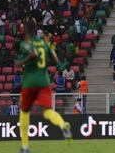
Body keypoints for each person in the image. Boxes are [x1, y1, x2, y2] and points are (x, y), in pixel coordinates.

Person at [15, 18, 71, 152]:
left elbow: (30, 56)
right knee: (48, 111)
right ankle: (63, 124)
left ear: (25, 29)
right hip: (44, 80)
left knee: (24, 112)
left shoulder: (25, 43)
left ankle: (25, 146)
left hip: (30, 81)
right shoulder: (44, 43)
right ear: (35, 29)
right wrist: (60, 65)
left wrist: (21, 61)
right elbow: (55, 59)